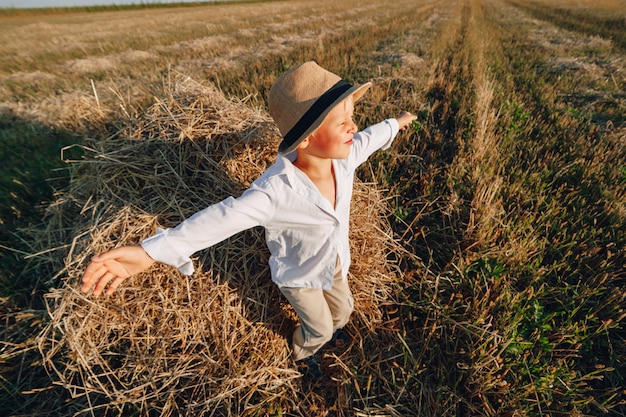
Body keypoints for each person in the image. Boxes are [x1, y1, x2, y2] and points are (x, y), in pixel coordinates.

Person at [81, 61, 417, 382]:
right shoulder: (274, 193)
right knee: (320, 328)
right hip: (299, 276)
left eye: (352, 114)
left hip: (334, 262)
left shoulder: (343, 159)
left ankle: (334, 327)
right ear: (307, 138)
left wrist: (395, 123)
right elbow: (221, 219)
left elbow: (369, 139)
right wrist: (151, 252)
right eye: (342, 121)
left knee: (343, 312)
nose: (353, 126)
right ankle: (304, 352)